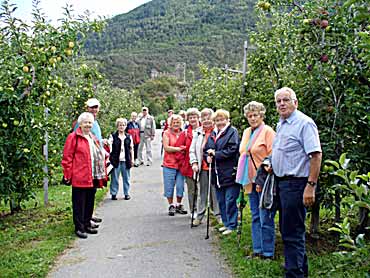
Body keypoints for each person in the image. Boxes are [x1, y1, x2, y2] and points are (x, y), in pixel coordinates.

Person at [272, 87, 322, 277]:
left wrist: (310, 186)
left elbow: (316, 155)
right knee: (289, 232)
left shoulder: (304, 123)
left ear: (296, 102)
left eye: (286, 100)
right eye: (278, 101)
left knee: (292, 234)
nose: (282, 104)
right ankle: (300, 272)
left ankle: (294, 274)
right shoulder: (282, 124)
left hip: (296, 184)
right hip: (283, 184)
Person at [235, 101, 276, 259]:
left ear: (261, 115)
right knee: (255, 216)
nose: (252, 118)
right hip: (249, 180)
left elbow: (273, 154)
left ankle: (268, 252)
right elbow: (243, 152)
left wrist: (266, 168)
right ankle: (257, 249)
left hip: (263, 181)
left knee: (265, 216)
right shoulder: (246, 132)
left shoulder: (268, 131)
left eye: (255, 115)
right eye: (250, 116)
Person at [62, 112, 107, 238]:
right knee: (79, 202)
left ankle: (87, 223)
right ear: (80, 124)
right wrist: (68, 174)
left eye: (89, 123)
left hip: (92, 175)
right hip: (79, 175)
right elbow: (67, 157)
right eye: (85, 122)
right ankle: (79, 227)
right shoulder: (73, 137)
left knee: (89, 200)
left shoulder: (92, 136)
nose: (87, 125)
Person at [204, 109, 240, 235]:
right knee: (221, 200)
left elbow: (233, 149)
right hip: (216, 173)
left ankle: (232, 225)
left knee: (230, 200)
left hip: (230, 172)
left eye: (222, 120)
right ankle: (225, 223)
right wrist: (207, 156)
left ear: (227, 120)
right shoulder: (213, 134)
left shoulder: (232, 132)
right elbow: (206, 149)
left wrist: (216, 154)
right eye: (217, 120)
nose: (220, 122)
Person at [74, 98, 104, 225]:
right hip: (84, 165)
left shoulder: (95, 123)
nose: (94, 109)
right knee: (84, 194)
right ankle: (83, 221)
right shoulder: (81, 122)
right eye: (92, 107)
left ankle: (88, 216)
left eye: (96, 107)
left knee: (92, 192)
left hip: (95, 164)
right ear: (87, 108)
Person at [189, 108, 221, 226]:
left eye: (208, 117)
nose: (206, 120)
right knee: (202, 193)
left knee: (215, 192)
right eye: (203, 118)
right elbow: (192, 150)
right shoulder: (197, 132)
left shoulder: (218, 131)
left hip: (215, 167)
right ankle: (200, 215)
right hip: (202, 168)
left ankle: (218, 215)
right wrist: (194, 163)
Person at [175, 108, 200, 217]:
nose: (193, 119)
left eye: (194, 117)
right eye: (190, 117)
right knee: (192, 190)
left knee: (202, 189)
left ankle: (202, 210)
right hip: (189, 166)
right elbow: (178, 150)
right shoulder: (184, 133)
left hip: (203, 165)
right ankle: (193, 210)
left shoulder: (204, 130)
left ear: (198, 118)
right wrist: (182, 163)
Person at [162, 114, 187, 216]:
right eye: (174, 123)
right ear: (170, 124)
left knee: (180, 186)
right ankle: (171, 205)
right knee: (169, 186)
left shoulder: (184, 133)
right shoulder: (166, 133)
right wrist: (179, 149)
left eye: (178, 122)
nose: (176, 124)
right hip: (169, 164)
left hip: (181, 164)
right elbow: (166, 148)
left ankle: (179, 204)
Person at [108, 118, 134, 200]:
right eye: (120, 125)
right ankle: (113, 193)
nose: (121, 127)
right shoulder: (113, 136)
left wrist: (132, 159)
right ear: (117, 126)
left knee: (126, 178)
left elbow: (131, 149)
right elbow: (109, 148)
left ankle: (127, 193)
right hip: (116, 160)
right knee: (115, 178)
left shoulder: (129, 137)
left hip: (126, 160)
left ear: (126, 126)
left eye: (123, 125)